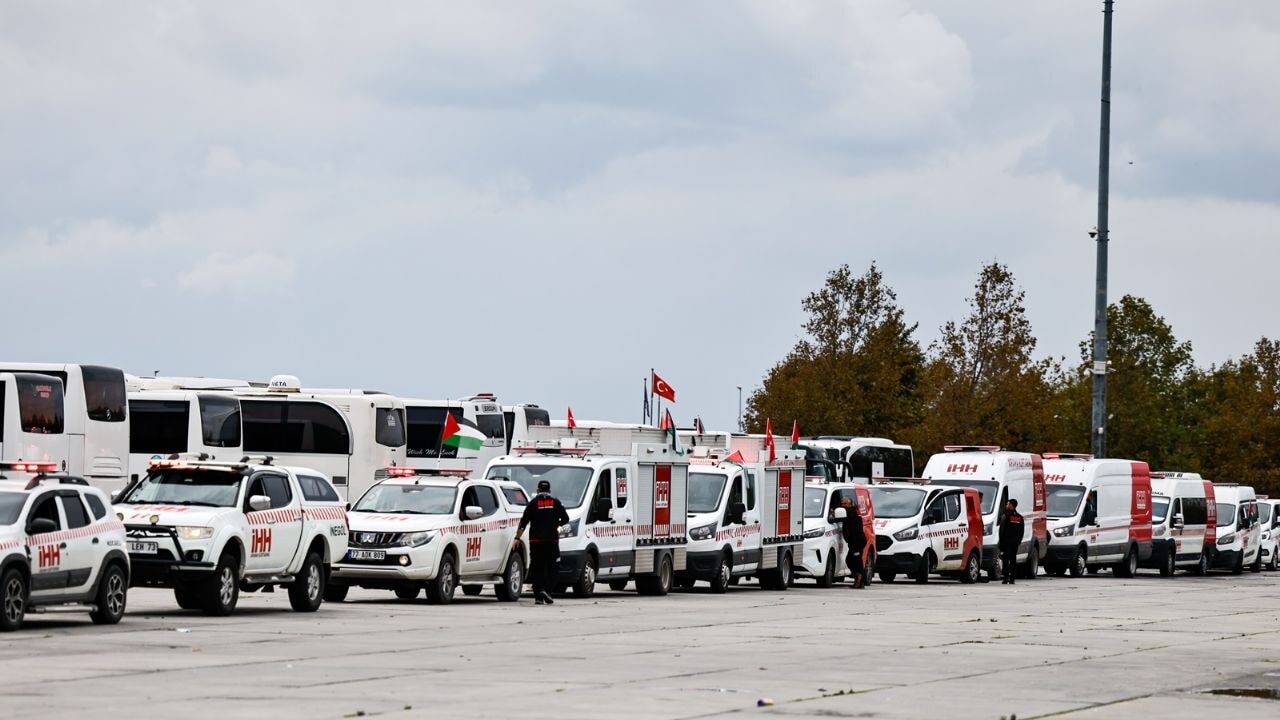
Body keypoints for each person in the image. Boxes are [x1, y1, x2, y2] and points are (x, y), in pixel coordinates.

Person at [513, 479, 570, 605]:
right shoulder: (556, 503)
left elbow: (523, 523)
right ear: (549, 490)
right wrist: (556, 524)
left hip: (536, 541)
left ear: (538, 490)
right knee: (553, 568)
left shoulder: (532, 504)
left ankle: (538, 596)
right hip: (551, 541)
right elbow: (566, 518)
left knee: (537, 568)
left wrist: (517, 538)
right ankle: (547, 591)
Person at [837, 496, 868, 589]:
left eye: (845, 504)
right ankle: (861, 581)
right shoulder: (852, 512)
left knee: (852, 560)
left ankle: (859, 578)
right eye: (842, 504)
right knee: (856, 561)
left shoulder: (850, 512)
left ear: (850, 504)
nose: (843, 505)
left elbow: (855, 531)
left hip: (857, 542)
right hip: (855, 542)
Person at [999, 498, 1025, 585]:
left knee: (1005, 560)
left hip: (1006, 543)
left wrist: (1000, 542)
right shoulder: (1019, 517)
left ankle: (1006, 578)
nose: (1006, 505)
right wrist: (1019, 541)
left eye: (1007, 504)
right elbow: (1021, 531)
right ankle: (1012, 578)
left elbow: (1001, 530)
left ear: (1011, 505)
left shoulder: (1006, 516)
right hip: (1015, 543)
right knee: (1013, 560)